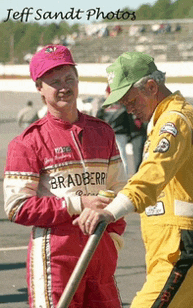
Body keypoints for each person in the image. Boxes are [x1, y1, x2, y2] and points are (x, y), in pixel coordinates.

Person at [74, 51, 193, 308]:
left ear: (151, 87)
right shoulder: (168, 119)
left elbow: (152, 175)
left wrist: (111, 212)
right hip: (173, 246)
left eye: (130, 100)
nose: (128, 109)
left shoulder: (174, 121)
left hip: (180, 249)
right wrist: (107, 198)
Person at [4, 44, 127, 308]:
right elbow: (15, 207)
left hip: (100, 250)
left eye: (69, 78)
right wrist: (79, 203)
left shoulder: (102, 132)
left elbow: (120, 189)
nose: (64, 87)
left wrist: (113, 239)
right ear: (39, 88)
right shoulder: (27, 142)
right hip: (55, 259)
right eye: (54, 81)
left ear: (77, 80)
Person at [96, 85, 133, 177]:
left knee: (109, 157)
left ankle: (116, 177)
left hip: (109, 134)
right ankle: (124, 177)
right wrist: (129, 134)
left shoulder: (104, 105)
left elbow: (97, 120)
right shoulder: (122, 104)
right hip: (120, 134)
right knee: (122, 157)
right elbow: (128, 121)